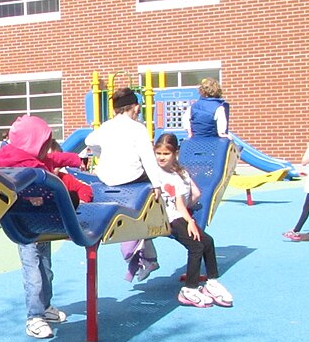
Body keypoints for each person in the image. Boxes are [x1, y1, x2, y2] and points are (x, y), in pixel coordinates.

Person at [0, 116, 92, 339]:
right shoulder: (27, 168)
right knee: (33, 272)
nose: (47, 148)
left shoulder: (25, 159)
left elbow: (53, 158)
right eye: (44, 143)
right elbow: (35, 175)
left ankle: (45, 307)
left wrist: (74, 159)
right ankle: (34, 317)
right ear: (33, 144)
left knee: (45, 268)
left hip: (40, 224)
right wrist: (34, 196)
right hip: (27, 225)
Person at [85, 88, 165, 282]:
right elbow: (147, 157)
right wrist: (157, 184)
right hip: (132, 180)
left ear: (114, 110)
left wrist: (100, 154)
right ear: (136, 107)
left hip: (106, 179)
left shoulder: (105, 127)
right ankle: (145, 254)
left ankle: (145, 255)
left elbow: (89, 141)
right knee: (150, 210)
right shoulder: (138, 128)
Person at [153, 133, 234, 307]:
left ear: (175, 153)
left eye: (165, 154)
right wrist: (189, 220)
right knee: (196, 245)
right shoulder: (158, 173)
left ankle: (211, 282)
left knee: (208, 241)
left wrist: (189, 218)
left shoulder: (178, 174)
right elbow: (191, 198)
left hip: (176, 214)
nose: (161, 157)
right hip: (166, 218)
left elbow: (189, 198)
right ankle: (189, 289)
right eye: (158, 153)